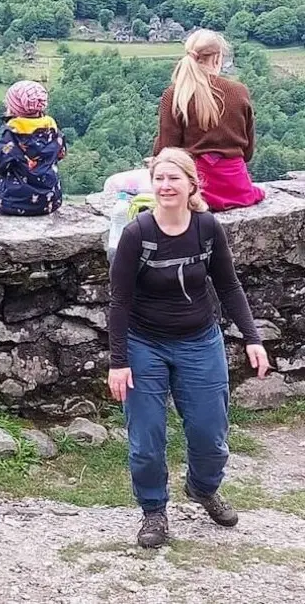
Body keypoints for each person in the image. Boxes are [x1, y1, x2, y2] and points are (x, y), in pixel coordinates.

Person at [107, 148, 270, 549]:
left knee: (211, 435)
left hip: (200, 340)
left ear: (191, 184)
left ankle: (202, 488)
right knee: (146, 439)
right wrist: (118, 362)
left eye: (174, 178)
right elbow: (119, 302)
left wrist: (252, 338)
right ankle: (153, 512)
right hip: (144, 343)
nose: (165, 186)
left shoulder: (207, 227)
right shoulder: (137, 234)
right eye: (159, 178)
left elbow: (228, 286)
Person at [154, 29, 264, 211]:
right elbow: (248, 152)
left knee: (117, 184)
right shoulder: (239, 91)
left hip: (194, 189)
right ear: (217, 58)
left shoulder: (175, 94)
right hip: (236, 187)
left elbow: (166, 151)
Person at [0, 80, 66, 218]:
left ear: (14, 108)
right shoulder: (53, 129)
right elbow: (61, 153)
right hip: (50, 201)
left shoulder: (14, 133)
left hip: (14, 203)